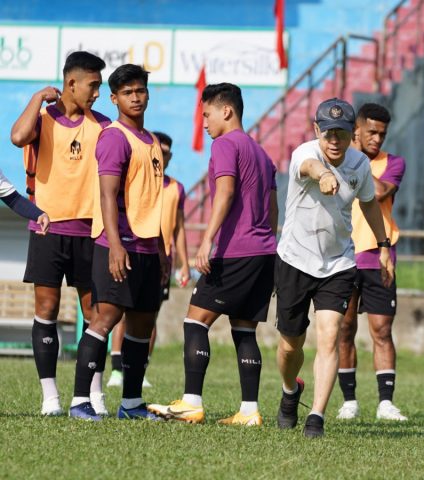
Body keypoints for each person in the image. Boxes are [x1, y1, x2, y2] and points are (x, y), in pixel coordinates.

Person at [147, 83, 278, 426]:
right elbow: (273, 207)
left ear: (227, 111)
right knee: (245, 330)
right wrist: (267, 244)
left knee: (194, 321)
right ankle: (249, 411)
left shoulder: (225, 144)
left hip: (235, 252)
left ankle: (191, 402)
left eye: (206, 114)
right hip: (264, 252)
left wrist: (206, 241)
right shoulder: (263, 155)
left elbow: (225, 192)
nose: (203, 122)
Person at [275, 98, 394, 438]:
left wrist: (383, 246)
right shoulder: (304, 153)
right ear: (317, 131)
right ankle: (289, 390)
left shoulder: (358, 165)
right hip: (295, 261)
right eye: (328, 132)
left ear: (352, 134)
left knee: (329, 337)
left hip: (339, 263)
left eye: (341, 133)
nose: (334, 141)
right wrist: (325, 173)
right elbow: (311, 167)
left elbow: (370, 204)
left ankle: (316, 416)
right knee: (290, 345)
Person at [10, 51, 110, 417]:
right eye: (93, 85)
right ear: (71, 84)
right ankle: (50, 397)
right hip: (47, 228)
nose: (97, 93)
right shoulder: (41, 120)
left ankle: (93, 394)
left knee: (94, 313)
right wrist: (37, 97)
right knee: (47, 309)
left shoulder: (103, 126)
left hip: (90, 231)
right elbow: (17, 137)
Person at [69, 63, 168, 421]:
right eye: (127, 92)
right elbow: (108, 196)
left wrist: (160, 250)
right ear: (114, 98)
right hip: (117, 244)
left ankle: (131, 404)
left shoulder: (152, 140)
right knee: (105, 319)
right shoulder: (113, 137)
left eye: (140, 90)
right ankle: (80, 401)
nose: (136, 97)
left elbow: (151, 199)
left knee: (141, 327)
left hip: (146, 248)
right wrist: (114, 245)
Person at [336, 103, 407, 421]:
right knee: (344, 329)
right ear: (357, 131)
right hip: (343, 257)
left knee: (381, 330)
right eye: (372, 132)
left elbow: (378, 192)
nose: (378, 139)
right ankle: (349, 401)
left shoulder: (394, 163)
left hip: (380, 258)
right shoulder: (336, 160)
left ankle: (386, 403)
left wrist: (355, 161)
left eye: (383, 134)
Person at [106, 131, 190, 389]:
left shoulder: (176, 188)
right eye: (159, 152)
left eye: (165, 153)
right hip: (133, 252)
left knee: (148, 317)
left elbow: (178, 228)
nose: (161, 156)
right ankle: (117, 370)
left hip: (160, 258)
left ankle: (141, 369)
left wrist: (184, 263)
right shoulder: (138, 178)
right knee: (122, 315)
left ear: (170, 156)